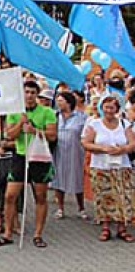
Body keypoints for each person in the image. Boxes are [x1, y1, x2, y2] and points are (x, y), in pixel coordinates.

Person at [0, 81, 57, 249]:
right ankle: (7, 233)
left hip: (39, 157)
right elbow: (10, 135)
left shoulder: (47, 112)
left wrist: (35, 131)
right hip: (21, 156)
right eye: (26, 92)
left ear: (37, 94)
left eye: (32, 92)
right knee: (10, 195)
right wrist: (20, 123)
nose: (29, 96)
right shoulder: (14, 112)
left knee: (40, 196)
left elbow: (52, 135)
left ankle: (38, 234)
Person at [81, 95, 135, 242]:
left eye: (112, 107)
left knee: (123, 196)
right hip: (101, 166)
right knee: (104, 196)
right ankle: (105, 227)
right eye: (106, 107)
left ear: (117, 109)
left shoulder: (124, 124)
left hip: (122, 166)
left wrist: (122, 149)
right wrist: (102, 148)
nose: (109, 110)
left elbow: (132, 143)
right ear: (102, 108)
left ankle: (122, 228)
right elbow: (86, 143)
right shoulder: (95, 124)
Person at [51, 91, 88, 220]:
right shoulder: (55, 116)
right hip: (59, 151)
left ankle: (81, 208)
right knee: (58, 178)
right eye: (57, 101)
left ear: (69, 102)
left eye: (61, 101)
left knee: (77, 179)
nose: (58, 103)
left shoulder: (82, 117)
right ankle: (60, 208)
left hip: (76, 152)